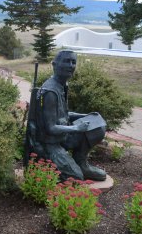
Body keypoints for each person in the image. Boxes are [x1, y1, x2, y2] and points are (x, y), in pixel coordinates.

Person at [32, 50, 106, 181]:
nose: (71, 65)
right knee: (76, 177)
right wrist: (77, 128)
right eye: (67, 61)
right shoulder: (50, 91)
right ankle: (58, 168)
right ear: (54, 65)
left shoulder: (62, 85)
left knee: (97, 125)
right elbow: (51, 127)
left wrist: (85, 115)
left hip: (63, 137)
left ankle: (81, 163)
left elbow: (64, 114)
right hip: (51, 144)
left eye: (73, 62)